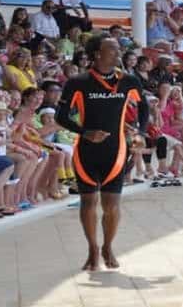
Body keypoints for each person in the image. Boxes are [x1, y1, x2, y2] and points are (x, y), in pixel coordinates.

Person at [55, 35, 149, 271]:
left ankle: (108, 245)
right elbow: (61, 117)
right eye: (113, 49)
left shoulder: (128, 80)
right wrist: (85, 133)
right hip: (86, 151)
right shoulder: (78, 82)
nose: (119, 53)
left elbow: (144, 106)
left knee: (112, 205)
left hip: (116, 152)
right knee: (88, 202)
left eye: (119, 49)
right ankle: (92, 248)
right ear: (97, 54)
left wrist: (140, 132)